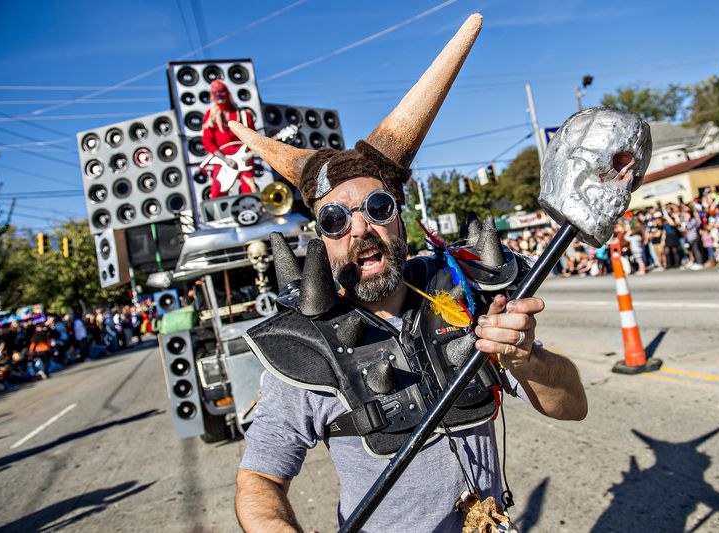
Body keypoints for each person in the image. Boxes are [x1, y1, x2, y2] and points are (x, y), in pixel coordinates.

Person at [230, 15, 587, 532]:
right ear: (322, 240)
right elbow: (259, 481)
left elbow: (571, 405)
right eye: (335, 219)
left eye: (376, 207)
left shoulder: (468, 299)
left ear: (400, 217)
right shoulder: (308, 345)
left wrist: (528, 359)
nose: (360, 229)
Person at [201, 79, 258, 198]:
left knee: (249, 189)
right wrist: (224, 159)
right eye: (215, 93)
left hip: (244, 157)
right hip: (223, 160)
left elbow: (254, 138)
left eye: (221, 92)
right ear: (212, 96)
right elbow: (207, 141)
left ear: (227, 92)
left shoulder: (243, 114)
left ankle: (250, 214)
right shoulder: (211, 115)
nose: (219, 95)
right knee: (217, 192)